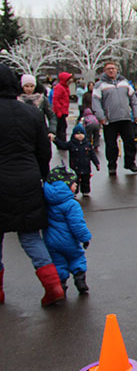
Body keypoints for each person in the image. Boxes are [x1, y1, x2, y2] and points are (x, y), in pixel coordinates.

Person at [0, 64, 65, 306]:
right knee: (30, 236)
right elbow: (43, 150)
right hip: (28, 178)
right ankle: (53, 285)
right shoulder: (31, 113)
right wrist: (40, 174)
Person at [42, 166, 93, 295]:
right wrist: (85, 238)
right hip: (69, 240)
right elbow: (77, 224)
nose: (76, 185)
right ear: (66, 186)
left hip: (51, 241)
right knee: (77, 258)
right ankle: (80, 280)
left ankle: (61, 286)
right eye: (73, 183)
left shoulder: (46, 201)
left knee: (58, 263)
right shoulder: (71, 204)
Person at [92, 61, 137, 175]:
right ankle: (112, 166)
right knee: (111, 145)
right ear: (105, 71)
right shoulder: (100, 85)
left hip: (125, 118)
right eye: (108, 69)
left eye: (113, 68)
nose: (111, 70)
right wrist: (101, 116)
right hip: (109, 120)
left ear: (117, 69)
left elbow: (133, 100)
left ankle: (130, 163)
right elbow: (96, 102)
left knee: (130, 142)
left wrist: (136, 114)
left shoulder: (124, 82)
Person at [55, 123, 100, 196]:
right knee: (75, 180)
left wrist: (97, 163)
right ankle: (75, 191)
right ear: (74, 135)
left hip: (86, 167)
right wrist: (55, 140)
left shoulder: (87, 144)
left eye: (82, 134)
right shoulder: (71, 144)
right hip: (75, 167)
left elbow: (92, 155)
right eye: (77, 134)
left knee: (86, 180)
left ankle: (86, 191)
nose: (80, 136)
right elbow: (63, 146)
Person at [18, 73, 57, 141]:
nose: (29, 89)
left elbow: (51, 115)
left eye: (32, 86)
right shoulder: (17, 100)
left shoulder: (42, 99)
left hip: (40, 133)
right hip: (22, 134)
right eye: (26, 86)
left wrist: (51, 131)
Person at [52, 72, 73, 143]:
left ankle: (61, 141)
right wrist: (59, 111)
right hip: (60, 112)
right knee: (61, 127)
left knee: (62, 127)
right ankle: (61, 142)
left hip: (63, 111)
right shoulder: (60, 87)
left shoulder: (64, 87)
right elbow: (56, 100)